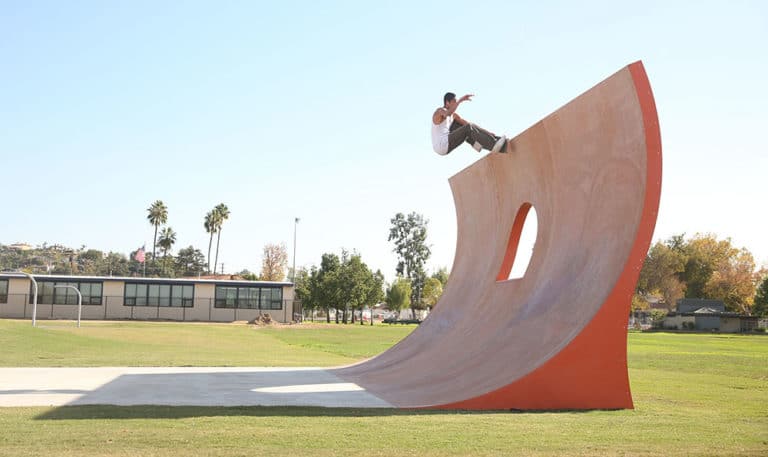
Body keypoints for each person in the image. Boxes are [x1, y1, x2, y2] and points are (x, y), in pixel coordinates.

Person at [431, 92, 507, 156]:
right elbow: (447, 114)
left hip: (445, 145)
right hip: (442, 144)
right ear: (447, 103)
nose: (455, 104)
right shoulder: (439, 111)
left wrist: (487, 132)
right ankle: (493, 144)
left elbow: (469, 125)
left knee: (463, 127)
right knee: (467, 128)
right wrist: (460, 101)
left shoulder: (454, 116)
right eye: (454, 102)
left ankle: (478, 145)